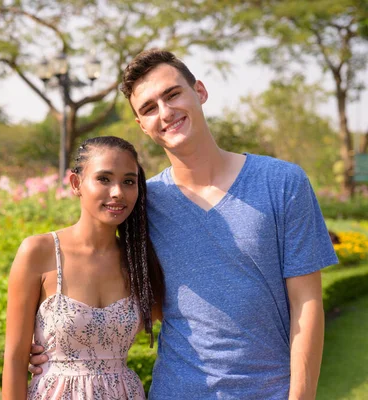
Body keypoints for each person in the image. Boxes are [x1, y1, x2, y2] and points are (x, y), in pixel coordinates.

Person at [30, 49, 338, 399]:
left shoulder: (282, 182)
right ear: (142, 126)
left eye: (173, 94)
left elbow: (308, 303)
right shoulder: (142, 203)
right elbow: (97, 264)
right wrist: (51, 346)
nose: (165, 112)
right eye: (148, 108)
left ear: (200, 92)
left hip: (270, 390)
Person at [2, 136, 166, 399]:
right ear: (76, 183)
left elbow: (181, 322)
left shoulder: (139, 262)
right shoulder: (39, 252)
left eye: (129, 181)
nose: (118, 192)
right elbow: (14, 358)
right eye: (104, 179)